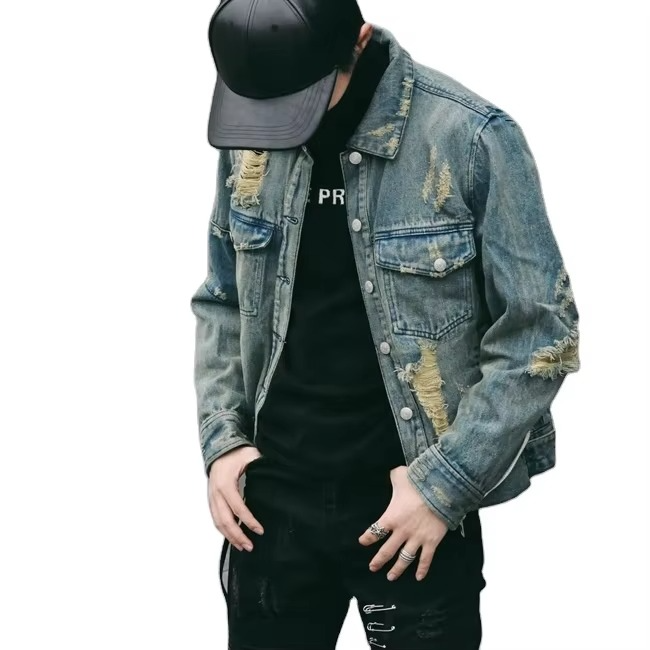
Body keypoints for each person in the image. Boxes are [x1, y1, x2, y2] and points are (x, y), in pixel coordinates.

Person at [190, 0, 581, 648]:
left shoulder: (471, 137)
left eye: (299, 100)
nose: (278, 123)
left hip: (412, 514)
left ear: (358, 42)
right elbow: (222, 299)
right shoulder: (254, 132)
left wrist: (444, 485)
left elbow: (543, 335)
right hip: (272, 509)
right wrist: (222, 441)